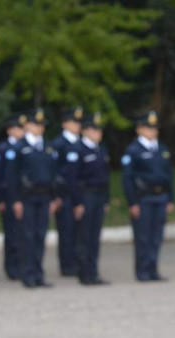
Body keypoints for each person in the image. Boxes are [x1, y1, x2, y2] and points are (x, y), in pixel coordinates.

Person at [8, 108, 61, 288]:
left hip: (44, 197)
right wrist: (16, 200)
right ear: (27, 125)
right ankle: (27, 274)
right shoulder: (19, 148)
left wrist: (54, 198)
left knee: (40, 236)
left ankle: (38, 273)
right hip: (26, 198)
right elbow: (12, 176)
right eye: (35, 124)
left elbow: (53, 174)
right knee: (27, 237)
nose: (39, 128)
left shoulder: (47, 147)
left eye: (41, 125)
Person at [121, 110, 175, 282]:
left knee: (156, 236)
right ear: (140, 129)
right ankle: (142, 271)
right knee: (143, 236)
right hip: (143, 198)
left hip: (160, 198)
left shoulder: (162, 148)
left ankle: (153, 269)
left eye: (155, 128)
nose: (153, 132)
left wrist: (171, 198)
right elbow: (127, 179)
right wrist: (132, 202)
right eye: (149, 128)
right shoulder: (133, 150)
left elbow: (169, 175)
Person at [67, 112, 110, 285]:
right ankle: (83, 272)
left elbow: (106, 177)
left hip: (99, 196)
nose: (98, 133)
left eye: (99, 130)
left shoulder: (101, 149)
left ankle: (93, 272)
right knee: (84, 236)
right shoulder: (77, 150)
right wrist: (77, 202)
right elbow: (72, 179)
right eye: (94, 129)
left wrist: (106, 199)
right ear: (85, 131)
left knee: (95, 236)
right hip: (86, 196)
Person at [51, 107, 84, 276]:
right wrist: (56, 195)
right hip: (65, 194)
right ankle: (67, 264)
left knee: (80, 231)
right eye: (73, 122)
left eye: (79, 122)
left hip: (81, 193)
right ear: (65, 124)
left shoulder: (82, 143)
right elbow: (54, 172)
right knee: (67, 231)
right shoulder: (58, 144)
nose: (77, 125)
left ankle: (79, 262)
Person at [0, 114, 25, 280]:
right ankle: (11, 267)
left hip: (24, 196)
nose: (20, 131)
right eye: (17, 128)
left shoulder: (26, 147)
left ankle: (22, 265)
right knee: (11, 233)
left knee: (23, 234)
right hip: (9, 197)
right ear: (9, 130)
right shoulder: (3, 148)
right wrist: (0, 199)